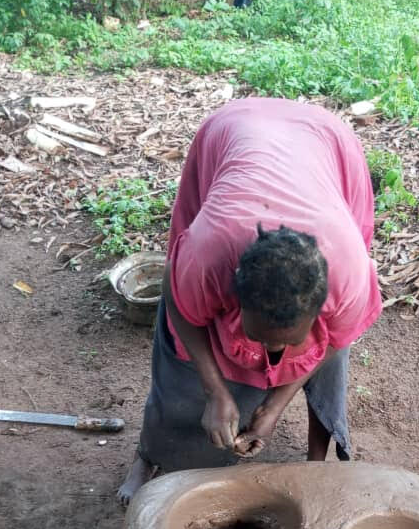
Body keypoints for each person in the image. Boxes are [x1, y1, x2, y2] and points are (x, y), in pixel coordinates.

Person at [117, 97, 382, 506]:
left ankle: (317, 464)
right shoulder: (209, 254)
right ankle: (148, 455)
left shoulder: (348, 275)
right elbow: (179, 301)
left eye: (286, 342)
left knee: (331, 369)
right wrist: (215, 392)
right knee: (177, 364)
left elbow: (335, 341)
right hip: (233, 131)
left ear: (319, 307)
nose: (271, 353)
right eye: (259, 337)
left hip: (324, 141)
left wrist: (274, 407)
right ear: (232, 294)